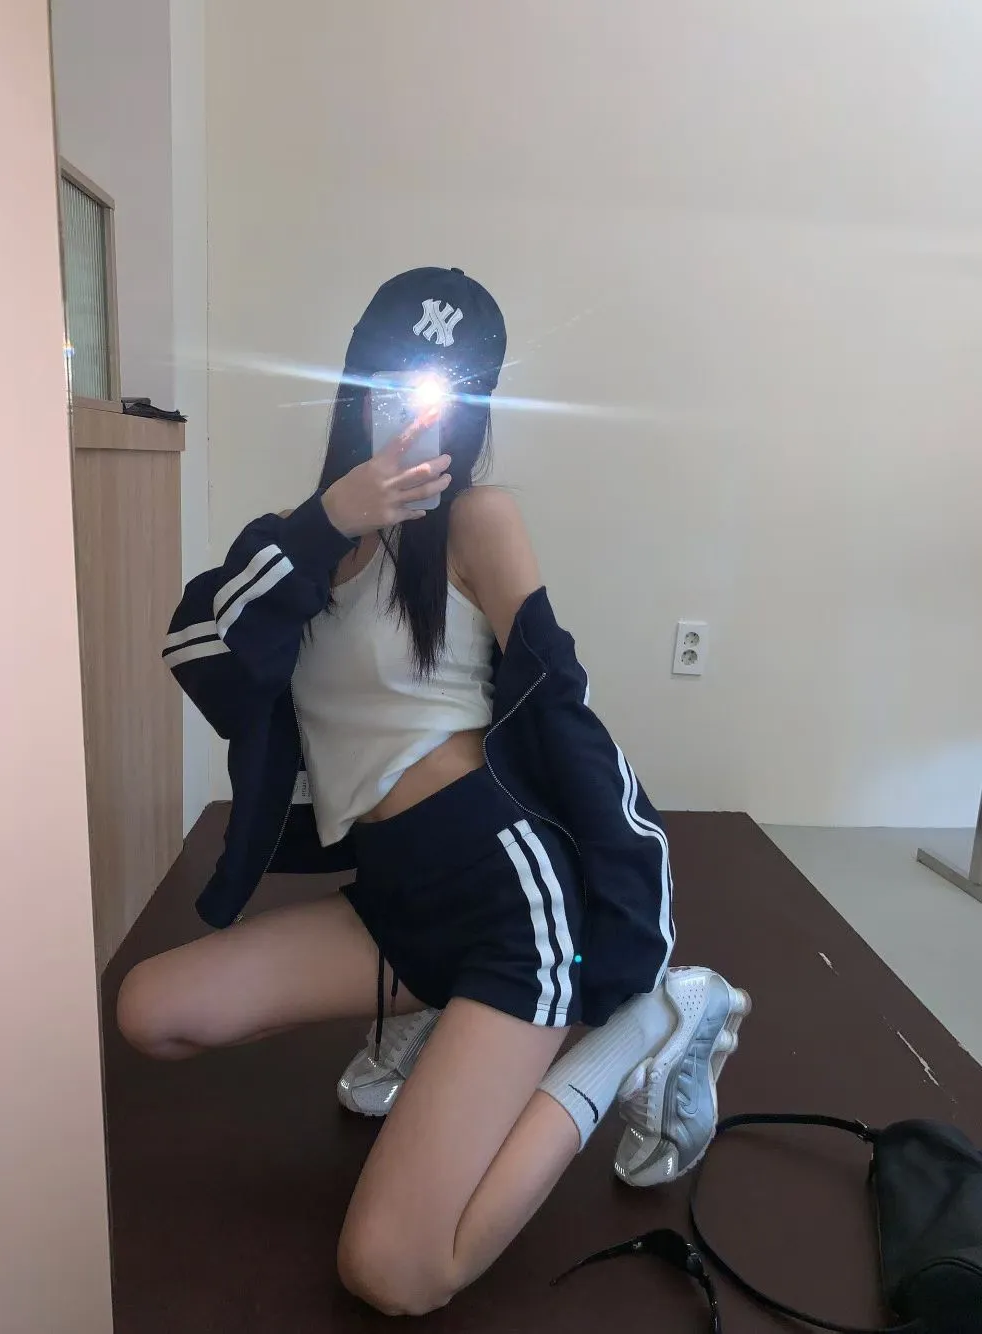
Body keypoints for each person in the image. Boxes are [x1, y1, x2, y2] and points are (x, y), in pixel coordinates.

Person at [117, 267, 751, 1317]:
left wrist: (633, 919)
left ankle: (644, 1024)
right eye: (394, 376)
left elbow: (562, 710)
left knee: (394, 1270)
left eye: (448, 388)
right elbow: (199, 652)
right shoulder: (291, 544)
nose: (413, 408)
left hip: (506, 897)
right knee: (151, 1009)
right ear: (354, 382)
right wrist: (331, 521)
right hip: (395, 902)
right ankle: (444, 1018)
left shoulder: (479, 521)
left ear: (474, 406)